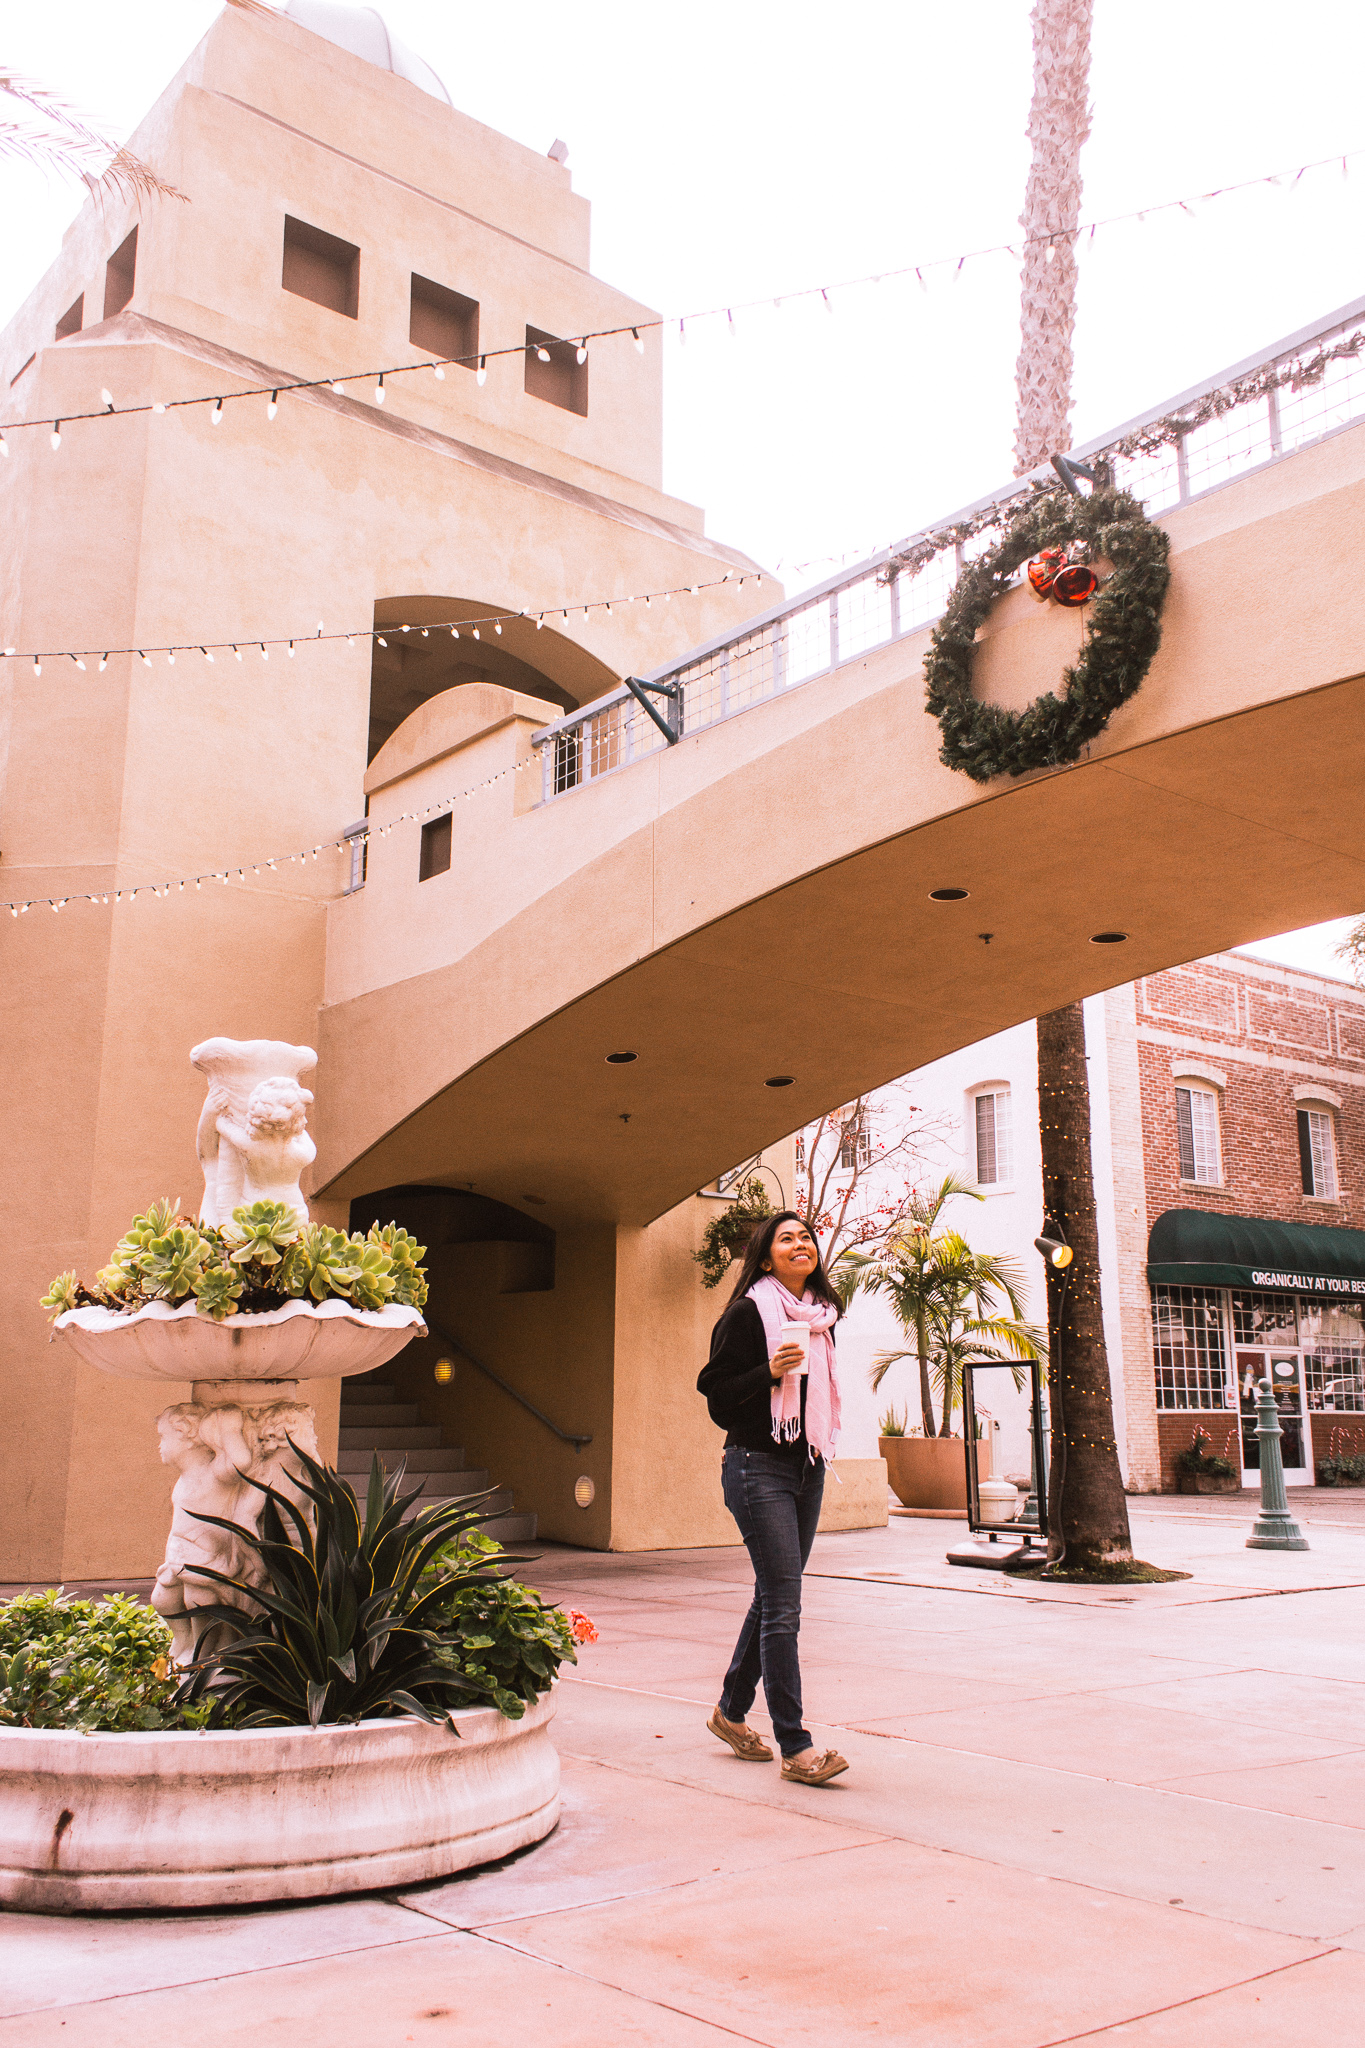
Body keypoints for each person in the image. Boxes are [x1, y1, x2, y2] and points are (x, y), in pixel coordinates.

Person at [697, 1211, 849, 1786]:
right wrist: (768, 1371)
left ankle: (730, 1713)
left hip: (806, 1467)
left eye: (806, 1236)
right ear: (766, 1258)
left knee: (773, 1596)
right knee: (784, 1604)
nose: (800, 1243)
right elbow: (715, 1395)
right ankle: (797, 1747)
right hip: (756, 1467)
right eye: (787, 1238)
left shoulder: (822, 1319)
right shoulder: (746, 1313)